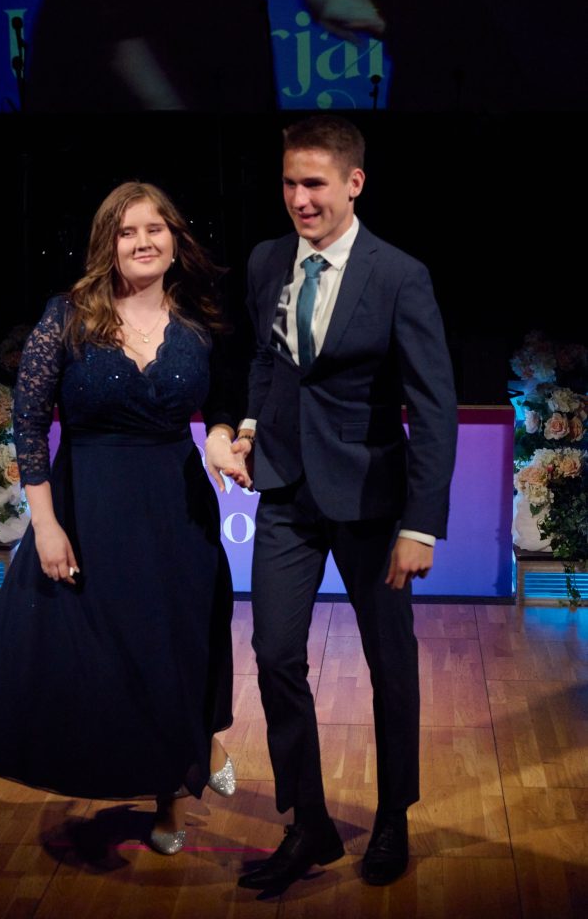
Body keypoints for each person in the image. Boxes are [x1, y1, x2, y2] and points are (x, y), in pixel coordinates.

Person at [0, 180, 247, 855]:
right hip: (90, 503)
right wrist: (44, 524)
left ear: (174, 239)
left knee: (178, 642)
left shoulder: (198, 320)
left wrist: (219, 435)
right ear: (108, 245)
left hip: (177, 507)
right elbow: (29, 421)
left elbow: (224, 399)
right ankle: (167, 755)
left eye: (154, 228)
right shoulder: (68, 316)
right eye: (127, 232)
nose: (143, 242)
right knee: (105, 654)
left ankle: (173, 795)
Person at [231, 114, 458, 891]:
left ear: (353, 182)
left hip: (371, 501)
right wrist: (250, 426)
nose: (299, 198)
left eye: (314, 183)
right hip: (285, 490)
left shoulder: (398, 275)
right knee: (273, 655)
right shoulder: (267, 260)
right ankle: (309, 823)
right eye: (289, 183)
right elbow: (265, 358)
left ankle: (392, 816)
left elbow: (434, 408)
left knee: (388, 664)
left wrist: (420, 523)